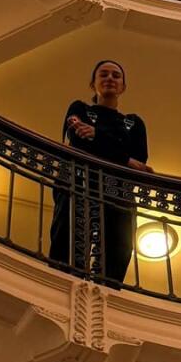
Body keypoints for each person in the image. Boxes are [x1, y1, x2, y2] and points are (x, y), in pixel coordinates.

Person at [49, 59, 152, 286]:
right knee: (68, 242)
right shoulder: (79, 109)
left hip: (119, 195)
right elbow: (77, 139)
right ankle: (62, 285)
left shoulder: (134, 123)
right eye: (103, 74)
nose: (110, 79)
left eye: (116, 75)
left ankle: (107, 293)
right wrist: (124, 158)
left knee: (118, 249)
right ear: (93, 83)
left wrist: (96, 136)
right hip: (79, 185)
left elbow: (140, 161)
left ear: (123, 86)